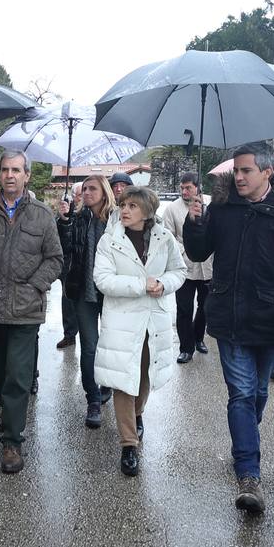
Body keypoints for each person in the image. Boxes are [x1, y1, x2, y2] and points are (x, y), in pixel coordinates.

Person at [183, 143, 274, 514]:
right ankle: (249, 474)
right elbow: (198, 253)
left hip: (272, 319)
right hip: (228, 315)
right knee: (240, 394)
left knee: (257, 393)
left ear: (267, 173)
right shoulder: (222, 208)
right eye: (236, 171)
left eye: (246, 171)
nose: (238, 177)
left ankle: (245, 436)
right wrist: (196, 223)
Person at [0, 150, 63, 474]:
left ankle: (12, 442)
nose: (10, 175)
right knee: (1, 373)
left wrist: (35, 286)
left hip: (26, 311)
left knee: (18, 375)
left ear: (27, 175)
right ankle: (9, 413)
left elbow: (55, 259)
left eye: (16, 170)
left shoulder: (43, 216)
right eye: (5, 169)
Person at [94, 186, 185, 476]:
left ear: (147, 211)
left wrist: (163, 284)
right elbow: (103, 280)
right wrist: (141, 285)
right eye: (122, 204)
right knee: (123, 380)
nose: (124, 210)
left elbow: (179, 271)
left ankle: (138, 413)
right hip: (122, 321)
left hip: (153, 321)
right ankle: (128, 443)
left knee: (145, 374)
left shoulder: (165, 238)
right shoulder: (109, 240)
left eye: (132, 206)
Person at [58, 175, 114, 426]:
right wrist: (64, 221)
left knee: (111, 345)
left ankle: (109, 385)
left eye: (93, 188)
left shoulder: (118, 219)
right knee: (89, 345)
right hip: (84, 291)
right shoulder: (78, 219)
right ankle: (92, 399)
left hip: (113, 292)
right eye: (85, 189)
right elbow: (65, 248)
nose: (87, 192)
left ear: (105, 191)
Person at [161, 172, 211, 364]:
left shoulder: (211, 204)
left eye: (188, 187)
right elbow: (168, 236)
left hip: (208, 266)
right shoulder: (172, 209)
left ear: (198, 187)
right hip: (184, 267)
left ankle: (199, 337)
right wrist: (184, 251)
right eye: (182, 188)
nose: (184, 191)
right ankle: (186, 348)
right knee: (184, 309)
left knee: (205, 307)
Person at [56, 182, 85, 350]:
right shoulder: (66, 211)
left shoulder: (88, 212)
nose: (82, 197)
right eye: (79, 194)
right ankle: (69, 335)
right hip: (68, 265)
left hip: (84, 265)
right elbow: (59, 237)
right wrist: (64, 218)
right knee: (67, 302)